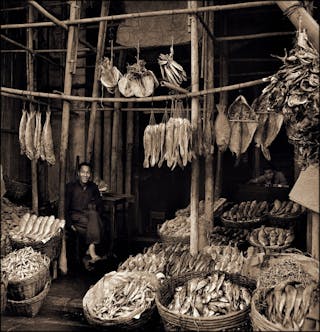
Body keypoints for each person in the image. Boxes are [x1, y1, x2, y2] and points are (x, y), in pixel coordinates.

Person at [65, 162, 108, 269]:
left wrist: (98, 216)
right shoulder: (70, 187)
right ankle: (91, 251)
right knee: (98, 225)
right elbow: (64, 208)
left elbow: (100, 205)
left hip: (88, 217)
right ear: (78, 173)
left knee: (94, 214)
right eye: (83, 172)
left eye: (87, 172)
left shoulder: (93, 187)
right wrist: (70, 224)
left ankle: (91, 249)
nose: (85, 175)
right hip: (75, 217)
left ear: (90, 174)